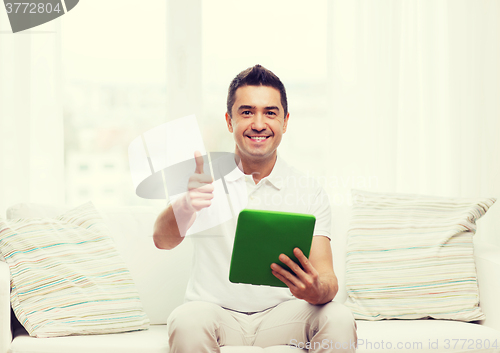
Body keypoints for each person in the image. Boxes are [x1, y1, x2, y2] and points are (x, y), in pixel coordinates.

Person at [153, 64, 357, 352]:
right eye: (246, 112)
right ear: (229, 120)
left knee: (338, 317)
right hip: (215, 313)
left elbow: (327, 279)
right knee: (185, 321)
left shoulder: (308, 190)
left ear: (285, 122)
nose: (258, 124)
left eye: (270, 113)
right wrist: (186, 205)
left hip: (285, 316)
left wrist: (315, 290)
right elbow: (161, 240)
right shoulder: (203, 180)